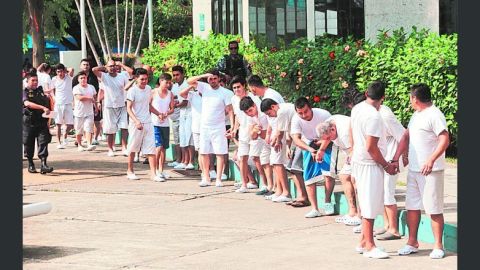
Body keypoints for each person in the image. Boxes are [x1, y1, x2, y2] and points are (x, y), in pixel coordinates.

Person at [392, 83, 450, 259]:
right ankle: (412, 242)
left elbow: (445, 139)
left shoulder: (435, 115)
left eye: (410, 97)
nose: (410, 100)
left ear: (415, 98)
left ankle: (438, 246)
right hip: (414, 170)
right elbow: (407, 136)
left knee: (433, 208)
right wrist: (401, 155)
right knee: (412, 207)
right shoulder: (416, 115)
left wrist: (431, 159)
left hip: (431, 171)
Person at [350, 81, 396, 259]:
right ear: (383, 97)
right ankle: (370, 245)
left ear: (365, 93)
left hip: (360, 161)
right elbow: (372, 147)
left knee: (368, 202)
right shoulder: (374, 117)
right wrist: (386, 165)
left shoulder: (357, 108)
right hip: (370, 163)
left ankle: (363, 241)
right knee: (369, 205)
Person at [186, 70, 235, 187]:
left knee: (220, 152)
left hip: (219, 126)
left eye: (214, 79)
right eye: (210, 79)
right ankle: (206, 177)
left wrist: (233, 126)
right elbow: (189, 81)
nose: (212, 81)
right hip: (204, 126)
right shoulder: (204, 87)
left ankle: (218, 179)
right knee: (204, 152)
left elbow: (230, 110)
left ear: (219, 79)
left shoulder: (226, 92)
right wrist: (203, 76)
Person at [290, 97, 334, 218]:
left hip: (326, 141)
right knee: (308, 176)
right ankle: (315, 208)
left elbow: (331, 134)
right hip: (309, 144)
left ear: (311, 108)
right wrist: (311, 150)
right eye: (300, 113)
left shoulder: (324, 115)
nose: (304, 115)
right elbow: (296, 139)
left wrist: (322, 148)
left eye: (306, 112)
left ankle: (327, 202)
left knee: (328, 173)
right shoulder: (296, 119)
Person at [316, 116, 361, 226]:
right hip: (349, 151)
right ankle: (352, 211)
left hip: (358, 151)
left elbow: (354, 146)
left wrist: (350, 156)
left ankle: (360, 216)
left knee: (356, 180)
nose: (330, 140)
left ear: (333, 129)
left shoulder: (344, 132)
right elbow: (326, 138)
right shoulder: (328, 124)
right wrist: (321, 150)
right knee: (344, 176)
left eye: (330, 137)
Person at [124, 68, 165, 182]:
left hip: (148, 122)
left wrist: (158, 114)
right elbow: (128, 108)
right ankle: (130, 171)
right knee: (133, 147)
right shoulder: (132, 91)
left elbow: (148, 106)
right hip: (135, 123)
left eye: (146, 79)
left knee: (151, 148)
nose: (144, 81)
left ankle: (153, 173)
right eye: (142, 79)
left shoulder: (148, 89)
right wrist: (136, 121)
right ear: (136, 79)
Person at [374, 104, 406, 241]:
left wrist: (402, 157)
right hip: (384, 156)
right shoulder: (372, 114)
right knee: (381, 191)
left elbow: (404, 136)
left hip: (392, 157)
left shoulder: (386, 115)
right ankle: (387, 224)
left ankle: (394, 229)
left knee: (388, 191)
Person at [260, 98, 296, 203]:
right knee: (275, 163)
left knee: (278, 163)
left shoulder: (282, 111)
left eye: (269, 113)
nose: (270, 116)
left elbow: (280, 132)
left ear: (273, 107)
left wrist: (277, 141)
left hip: (291, 136)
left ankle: (286, 192)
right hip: (289, 136)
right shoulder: (282, 108)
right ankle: (279, 191)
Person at [93, 60, 130, 157]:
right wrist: (105, 67)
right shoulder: (104, 76)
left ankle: (124, 148)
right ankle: (110, 149)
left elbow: (127, 85)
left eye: (114, 66)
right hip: (109, 106)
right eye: (110, 66)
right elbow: (94, 69)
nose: (112, 68)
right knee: (110, 130)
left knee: (124, 127)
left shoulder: (122, 76)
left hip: (122, 105)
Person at [230, 76, 261, 193]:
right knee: (241, 157)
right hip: (242, 132)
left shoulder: (254, 98)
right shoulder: (233, 99)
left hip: (255, 130)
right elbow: (237, 115)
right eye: (234, 88)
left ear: (244, 86)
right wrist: (234, 128)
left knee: (256, 158)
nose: (237, 89)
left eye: (238, 87)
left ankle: (265, 184)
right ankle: (244, 184)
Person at [239, 96, 274, 195]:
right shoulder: (250, 117)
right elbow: (252, 136)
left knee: (272, 162)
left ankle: (272, 187)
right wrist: (255, 131)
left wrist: (257, 132)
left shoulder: (264, 112)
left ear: (254, 105)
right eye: (247, 112)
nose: (249, 114)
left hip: (272, 138)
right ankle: (267, 185)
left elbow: (266, 133)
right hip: (262, 139)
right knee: (260, 159)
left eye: (250, 110)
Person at [23, 72, 54, 174]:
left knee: (43, 142)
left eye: (36, 80)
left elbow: (49, 105)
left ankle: (44, 164)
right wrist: (42, 107)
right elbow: (27, 103)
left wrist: (49, 119)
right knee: (28, 144)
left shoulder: (41, 91)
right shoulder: (24, 92)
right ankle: (31, 164)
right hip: (29, 122)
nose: (35, 82)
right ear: (27, 81)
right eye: (33, 80)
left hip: (41, 122)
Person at [151, 73, 175, 181]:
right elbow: (149, 106)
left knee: (164, 148)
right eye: (167, 82)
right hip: (155, 123)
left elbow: (172, 108)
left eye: (170, 82)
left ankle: (161, 169)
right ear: (161, 81)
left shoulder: (170, 94)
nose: (168, 84)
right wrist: (158, 114)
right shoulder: (153, 92)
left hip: (165, 123)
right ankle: (155, 170)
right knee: (158, 147)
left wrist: (166, 113)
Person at [73, 58, 102, 145]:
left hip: (90, 108)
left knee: (90, 126)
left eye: (87, 64)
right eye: (84, 64)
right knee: (79, 128)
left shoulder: (93, 78)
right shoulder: (75, 80)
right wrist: (73, 104)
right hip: (79, 109)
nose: (83, 79)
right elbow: (76, 96)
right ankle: (79, 143)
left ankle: (91, 142)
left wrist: (97, 104)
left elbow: (96, 93)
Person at [172, 65, 195, 170]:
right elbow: (176, 98)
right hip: (181, 114)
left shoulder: (187, 85)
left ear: (183, 74)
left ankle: (190, 161)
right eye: (174, 75)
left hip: (190, 114)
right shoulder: (175, 86)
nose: (176, 77)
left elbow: (185, 102)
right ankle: (184, 161)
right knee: (183, 138)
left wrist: (175, 105)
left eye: (177, 75)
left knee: (190, 139)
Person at [50, 63, 74, 149]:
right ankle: (59, 142)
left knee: (70, 124)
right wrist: (53, 97)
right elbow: (52, 90)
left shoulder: (68, 77)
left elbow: (72, 69)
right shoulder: (54, 79)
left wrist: (65, 69)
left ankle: (65, 135)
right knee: (58, 124)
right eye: (58, 71)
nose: (60, 73)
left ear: (64, 71)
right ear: (56, 72)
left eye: (61, 71)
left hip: (68, 103)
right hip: (58, 104)